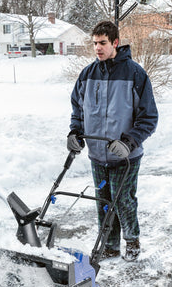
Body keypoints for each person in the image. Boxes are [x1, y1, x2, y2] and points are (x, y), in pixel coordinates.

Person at [67, 21, 158, 262]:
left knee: (123, 200)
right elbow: (78, 110)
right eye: (95, 43)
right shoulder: (87, 74)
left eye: (103, 43)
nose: (97, 48)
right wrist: (75, 133)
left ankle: (132, 241)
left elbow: (149, 117)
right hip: (98, 154)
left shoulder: (135, 74)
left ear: (115, 42)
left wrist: (129, 143)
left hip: (125, 155)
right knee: (103, 202)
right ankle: (109, 245)